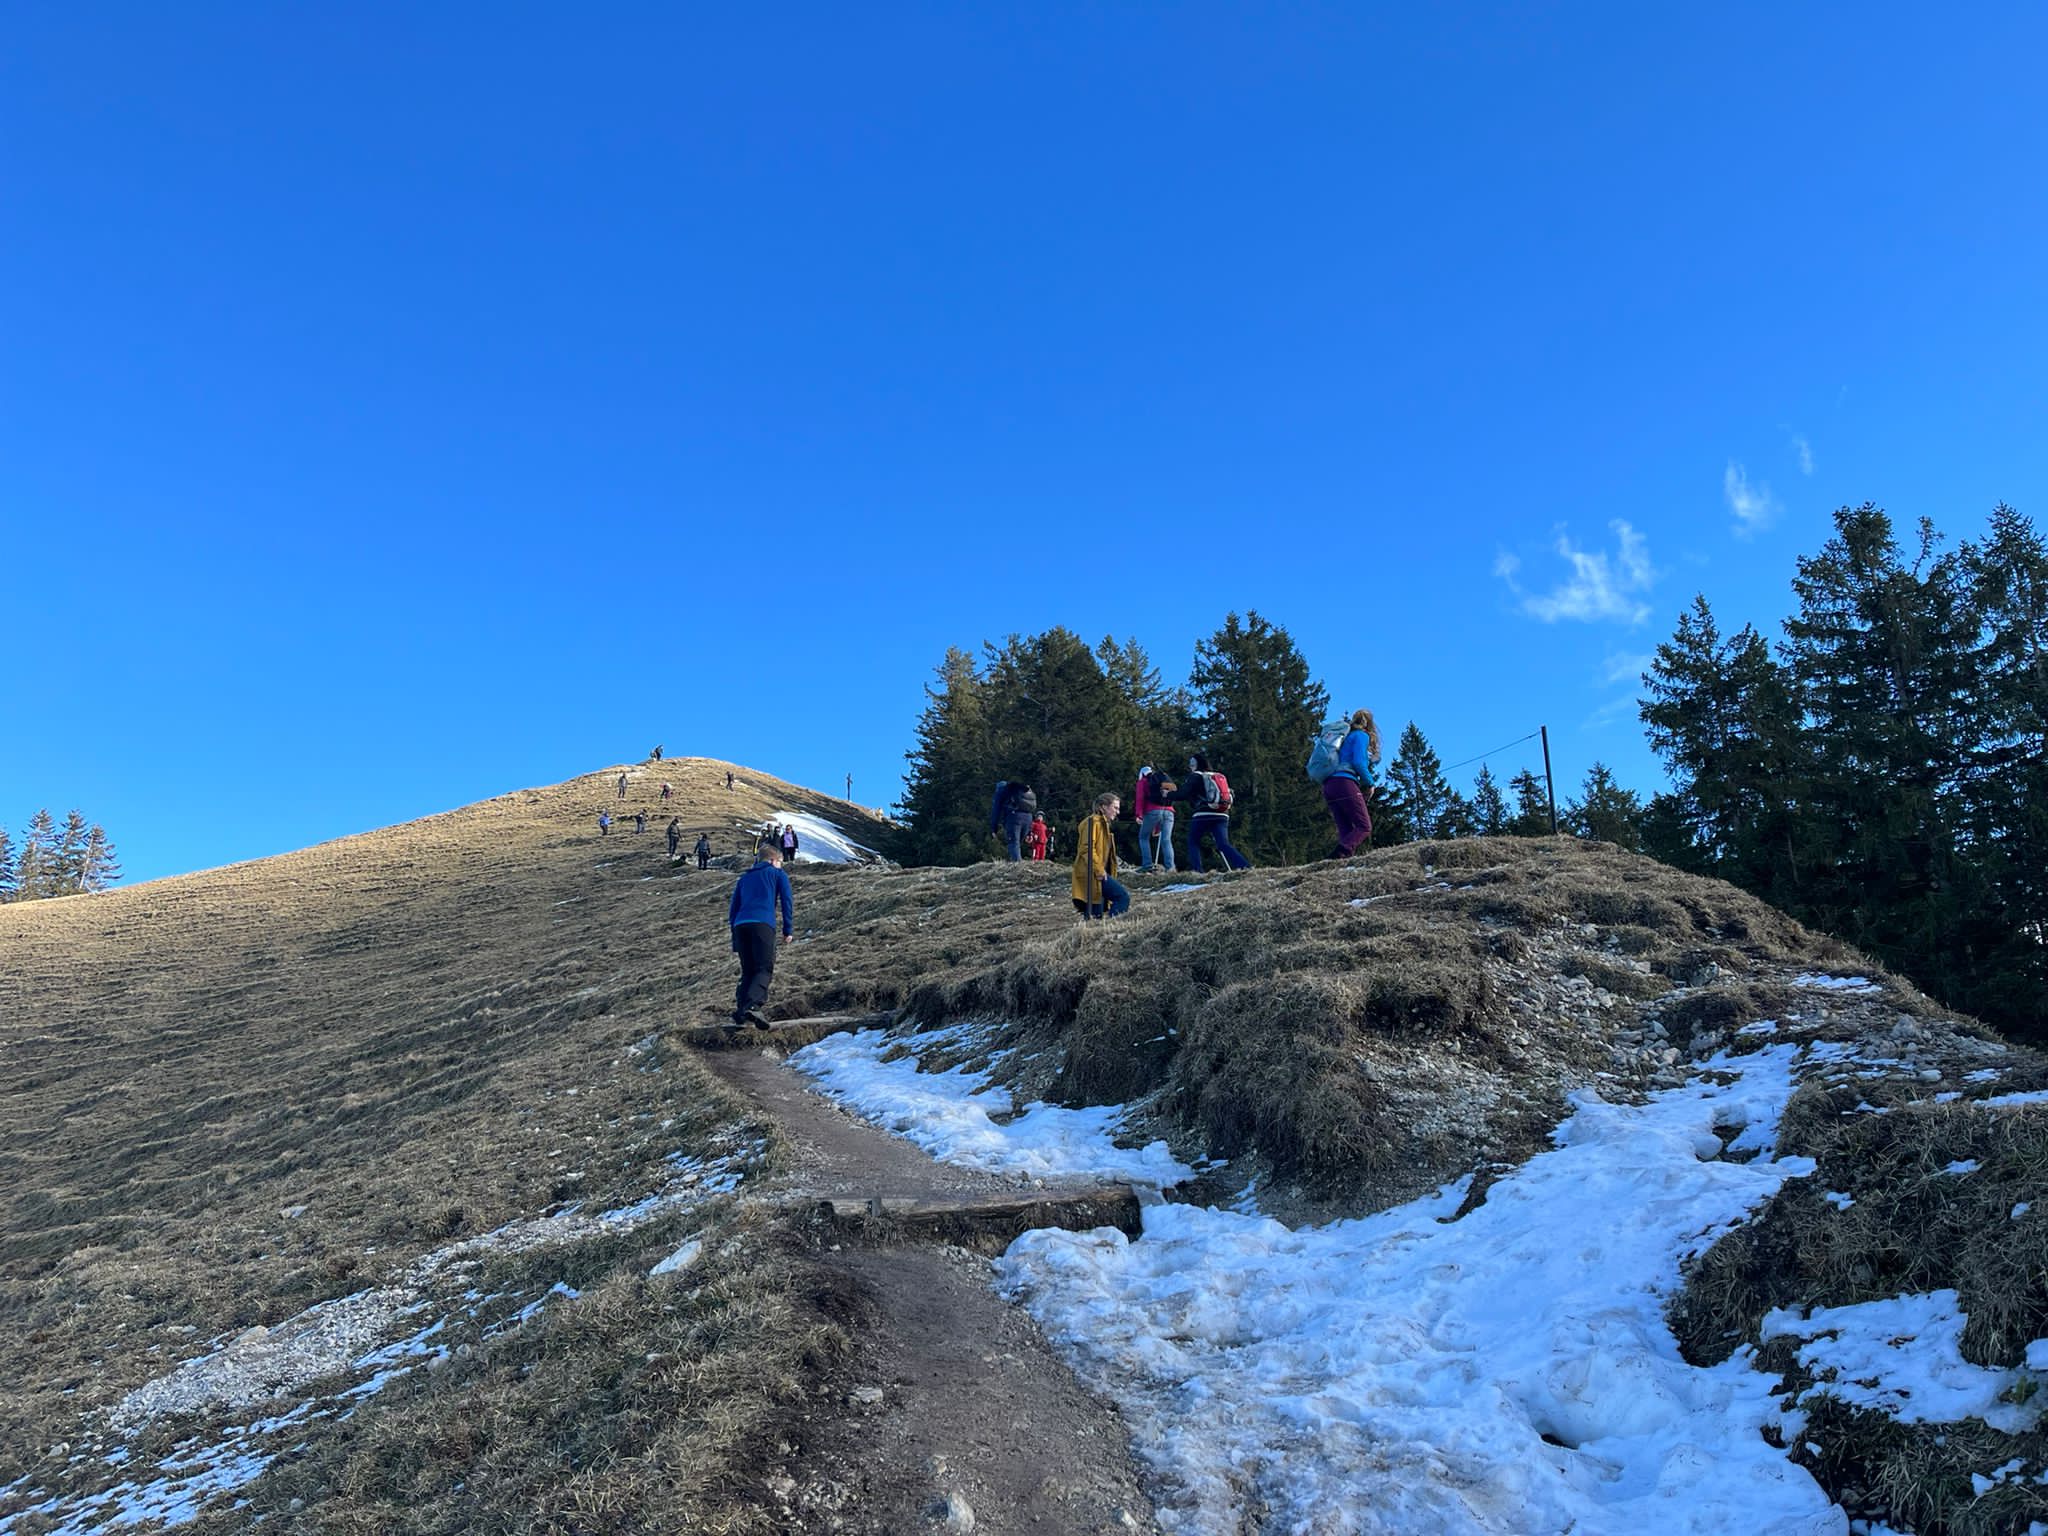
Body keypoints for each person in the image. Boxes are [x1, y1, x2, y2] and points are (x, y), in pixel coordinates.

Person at [727, 844, 794, 1029]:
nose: (781, 865)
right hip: (762, 924)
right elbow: (787, 901)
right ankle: (753, 1006)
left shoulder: (744, 878)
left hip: (740, 925)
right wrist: (788, 930)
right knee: (764, 967)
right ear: (773, 860)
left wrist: (735, 939)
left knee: (748, 970)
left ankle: (741, 1011)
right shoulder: (778, 874)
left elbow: (733, 909)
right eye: (780, 862)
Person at [1177, 754, 1251, 872]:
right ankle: (1245, 866)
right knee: (1223, 844)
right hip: (1222, 813)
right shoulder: (1216, 776)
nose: (1190, 767)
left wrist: (1168, 795)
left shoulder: (1195, 776)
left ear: (1195, 764)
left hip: (1203, 814)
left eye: (1191, 764)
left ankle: (1197, 871)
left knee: (1193, 841)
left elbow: (1183, 794)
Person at [1325, 709, 1381, 858]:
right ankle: (1338, 855)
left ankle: (1341, 861)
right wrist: (1370, 783)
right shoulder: (1361, 736)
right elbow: (1358, 762)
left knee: (1346, 829)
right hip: (1345, 782)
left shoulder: (1344, 736)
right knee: (1364, 826)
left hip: (1329, 784)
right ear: (1369, 725)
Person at [1072, 792, 1131, 918]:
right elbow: (1087, 849)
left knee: (1096, 912)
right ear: (1104, 807)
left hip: (1095, 873)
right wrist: (1099, 870)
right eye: (1115, 808)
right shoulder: (1094, 822)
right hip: (1092, 873)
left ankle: (1104, 927)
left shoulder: (1102, 824)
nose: (1118, 812)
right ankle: (1114, 924)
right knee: (1122, 897)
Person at [1132, 764, 1177, 873]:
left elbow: (1140, 798)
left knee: (1143, 837)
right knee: (1166, 840)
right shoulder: (1162, 780)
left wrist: (1138, 815)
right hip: (1169, 811)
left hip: (1152, 811)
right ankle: (1170, 868)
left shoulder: (1143, 781)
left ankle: (1147, 865)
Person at [990, 780, 1039, 861]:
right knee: (1017, 845)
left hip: (1014, 818)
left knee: (1013, 843)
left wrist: (993, 828)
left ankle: (1018, 866)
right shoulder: (1019, 792)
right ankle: (1016, 862)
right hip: (1028, 818)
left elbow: (996, 810)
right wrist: (1029, 832)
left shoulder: (1001, 792)